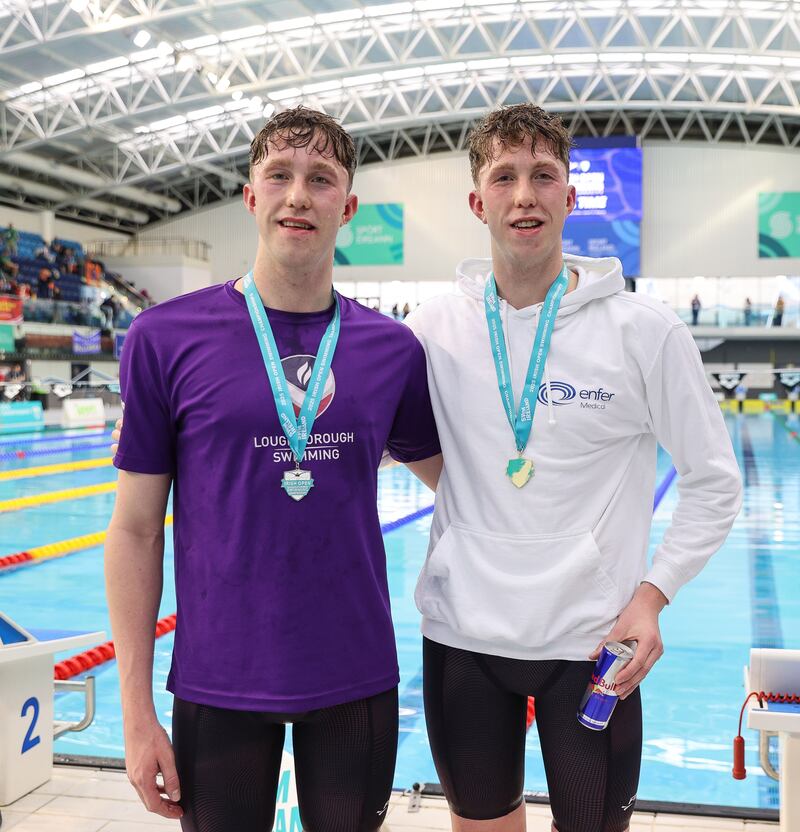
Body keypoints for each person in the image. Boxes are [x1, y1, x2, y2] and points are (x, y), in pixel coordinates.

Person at [405, 104, 742, 832]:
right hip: (463, 638)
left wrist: (653, 595)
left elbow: (714, 480)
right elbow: (391, 442)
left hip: (593, 643)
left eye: (543, 175)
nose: (524, 194)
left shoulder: (643, 330)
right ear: (478, 202)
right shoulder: (432, 329)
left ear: (570, 195)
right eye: (504, 177)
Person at [105, 107, 441, 832]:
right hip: (217, 679)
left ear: (347, 207)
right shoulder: (163, 338)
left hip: (355, 674)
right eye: (280, 175)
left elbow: (468, 490)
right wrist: (135, 713)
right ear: (250, 196)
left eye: (321, 179)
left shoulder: (392, 351)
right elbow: (134, 531)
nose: (298, 195)